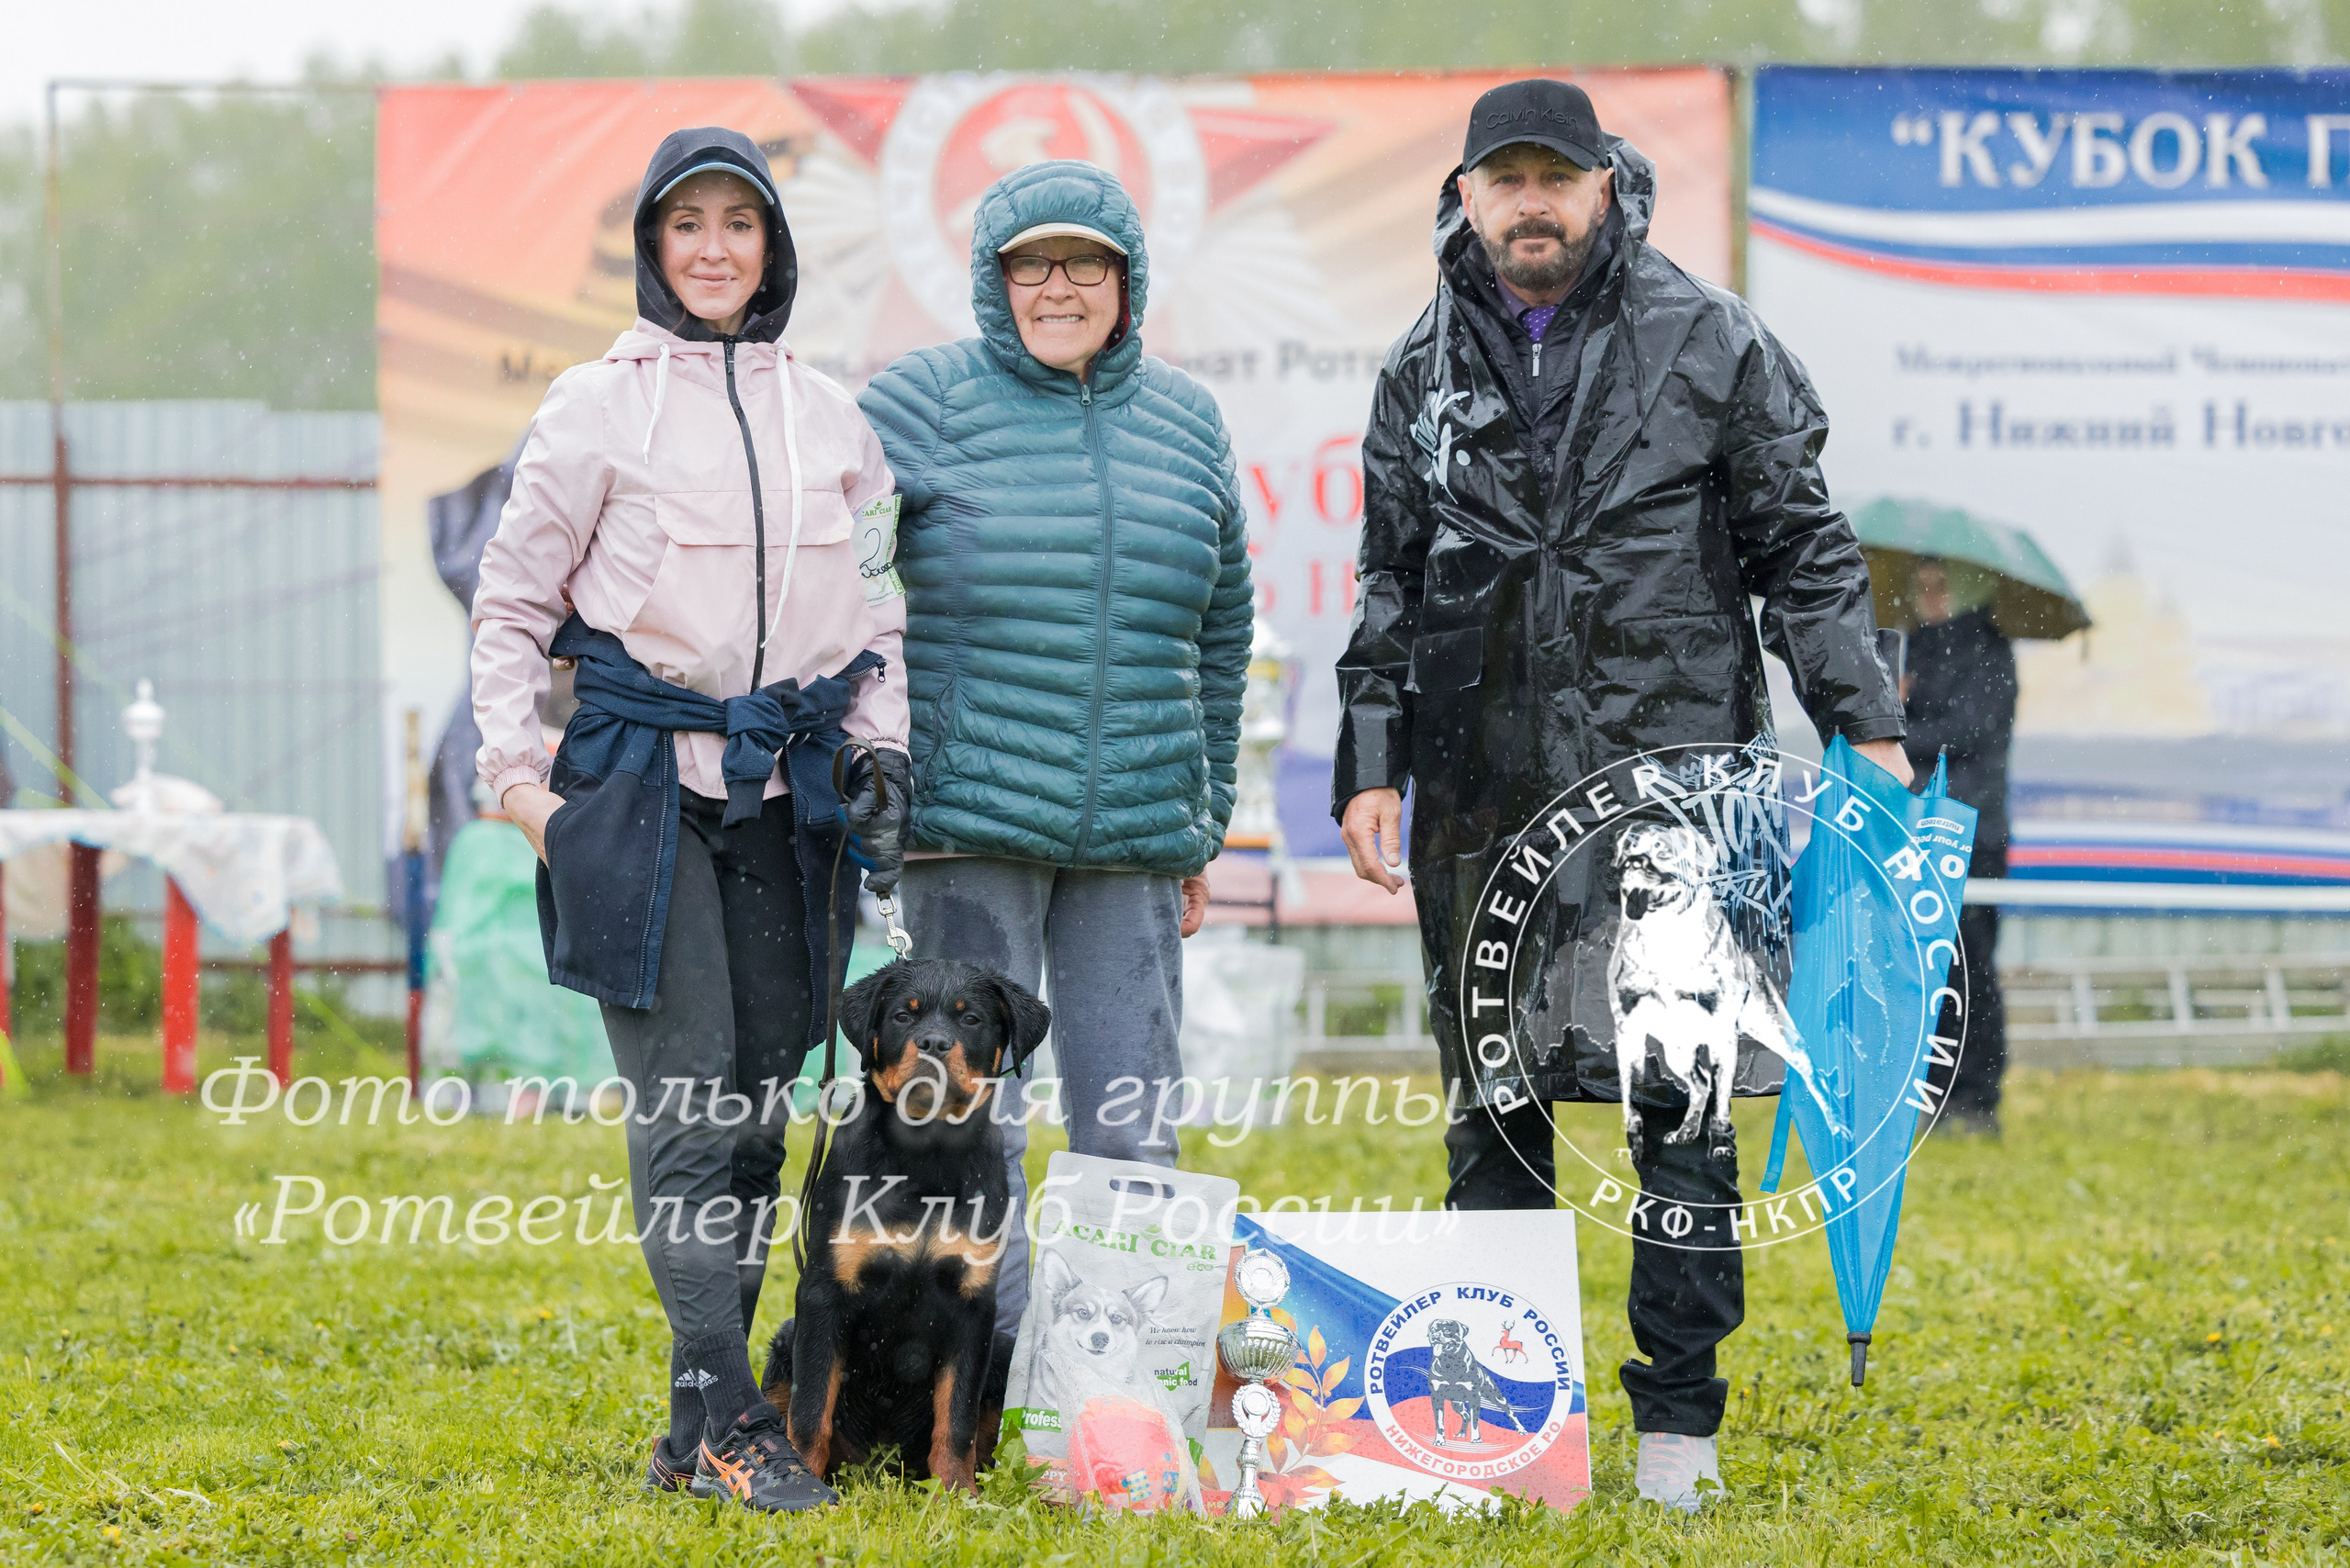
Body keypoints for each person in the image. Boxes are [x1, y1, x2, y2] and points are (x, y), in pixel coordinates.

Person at [1333, 80, 1910, 1512]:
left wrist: (1864, 721)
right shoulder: (1420, 368)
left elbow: (1806, 548)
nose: (1533, 203)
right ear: (1463, 195)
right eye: (1504, 179)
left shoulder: (1708, 337)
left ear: (1606, 186)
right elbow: (1390, 581)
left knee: (1681, 1106)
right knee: (1495, 1099)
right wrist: (1370, 763)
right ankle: (1511, 1411)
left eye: (1558, 178)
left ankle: (1678, 1424)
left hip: (1675, 786)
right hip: (1478, 792)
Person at [471, 127, 910, 1513]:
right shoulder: (592, 406)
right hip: (637, 788)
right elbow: (510, 607)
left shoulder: (836, 417)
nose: (716, 248)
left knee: (758, 1107)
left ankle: (687, 1432)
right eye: (688, 225)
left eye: (741, 224)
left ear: (773, 247)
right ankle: (734, 1414)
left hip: (794, 802)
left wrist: (882, 749)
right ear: (656, 248)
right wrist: (521, 788)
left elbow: (885, 608)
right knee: (686, 1102)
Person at [857, 160, 1253, 1349]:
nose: (1058, 286)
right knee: (972, 1120)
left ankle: (1134, 1381)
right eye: (1032, 263)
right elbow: (845, 591)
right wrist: (870, 785)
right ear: (993, 279)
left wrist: (1202, 818)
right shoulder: (914, 402)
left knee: (1133, 1119)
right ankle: (997, 1380)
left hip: (1134, 834)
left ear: (1127, 283)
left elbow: (1222, 628)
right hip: (963, 830)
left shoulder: (1187, 423)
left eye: (1086, 263)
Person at [1900, 559, 2017, 1136]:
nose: (1931, 597)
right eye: (1922, 586)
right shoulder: (1914, 647)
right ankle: (1934, 1094)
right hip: (1924, 824)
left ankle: (1975, 1100)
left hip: (1974, 829)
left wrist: (1891, 722)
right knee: (1930, 965)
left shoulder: (1988, 650)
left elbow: (1966, 732)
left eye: (1941, 586)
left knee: (1970, 965)